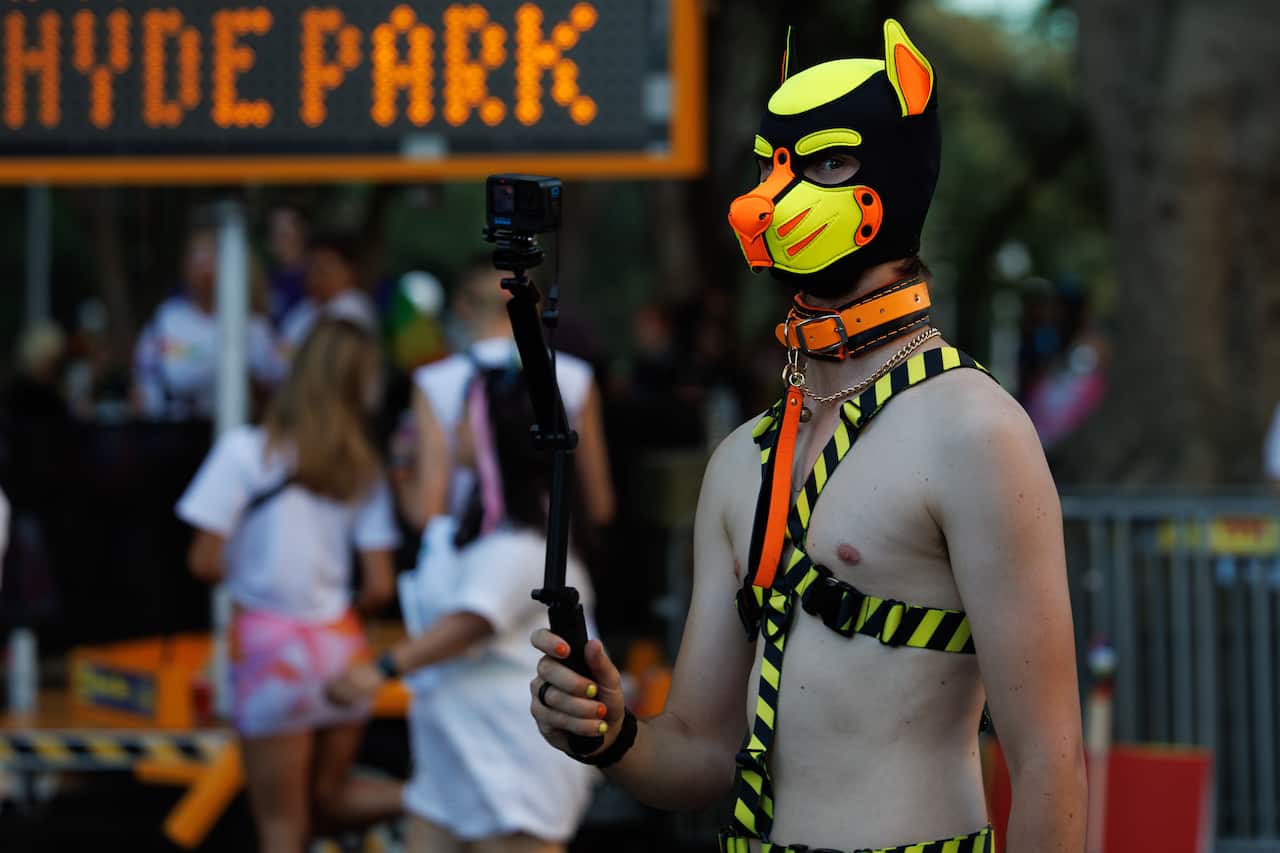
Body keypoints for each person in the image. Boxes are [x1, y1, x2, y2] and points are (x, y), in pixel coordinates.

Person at [530, 19, 1086, 853]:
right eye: (771, 166)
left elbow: (1049, 761)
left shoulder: (974, 431)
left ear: (894, 177)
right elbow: (700, 754)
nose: (774, 195)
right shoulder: (740, 461)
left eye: (826, 164)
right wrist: (610, 733)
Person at [328, 367, 598, 852]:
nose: (453, 429)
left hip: (509, 758)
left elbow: (472, 621)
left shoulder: (529, 539)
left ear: (493, 432)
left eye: (463, 418)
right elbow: (432, 531)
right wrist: (404, 468)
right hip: (450, 751)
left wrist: (382, 669)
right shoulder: (483, 526)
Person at [176, 319, 402, 853]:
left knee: (281, 826)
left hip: (270, 651)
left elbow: (203, 562)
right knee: (327, 801)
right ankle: (434, 800)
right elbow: (379, 585)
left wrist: (253, 573)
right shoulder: (362, 468)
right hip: (340, 648)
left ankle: (440, 804)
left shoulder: (243, 452)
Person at [406, 259, 614, 533]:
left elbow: (429, 512)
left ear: (463, 306)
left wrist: (400, 472)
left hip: (470, 552)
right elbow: (600, 505)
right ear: (537, 303)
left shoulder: (433, 381)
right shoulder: (577, 377)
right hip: (550, 552)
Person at [133, 221, 282, 420]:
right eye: (196, 261)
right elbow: (145, 384)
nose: (203, 272)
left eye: (210, 260)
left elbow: (273, 385)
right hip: (173, 429)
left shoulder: (255, 328)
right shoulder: (166, 320)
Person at [278, 229, 379, 352]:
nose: (315, 274)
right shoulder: (306, 307)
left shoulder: (355, 306)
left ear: (349, 270)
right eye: (313, 265)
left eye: (324, 267)